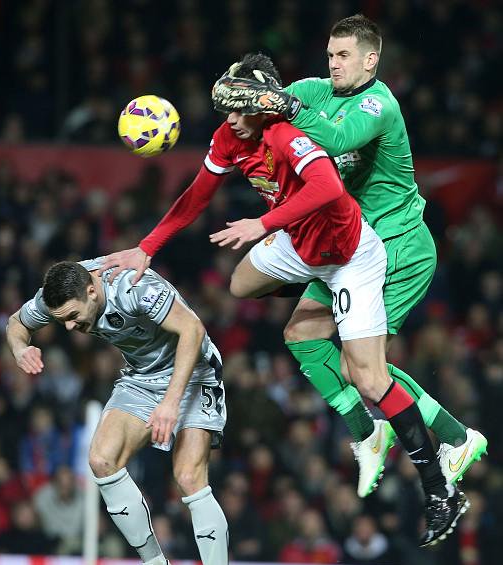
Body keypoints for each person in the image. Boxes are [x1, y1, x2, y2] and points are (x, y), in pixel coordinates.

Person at [100, 53, 466, 547]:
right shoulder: (231, 136)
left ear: (260, 106)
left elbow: (328, 185)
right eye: (225, 109)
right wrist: (147, 249)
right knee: (240, 284)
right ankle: (340, 325)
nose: (229, 119)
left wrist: (263, 224)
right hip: (299, 245)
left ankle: (440, 489)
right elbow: (198, 194)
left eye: (238, 108)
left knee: (370, 378)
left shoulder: (285, 133)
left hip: (351, 255)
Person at [202, 14, 488, 496]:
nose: (333, 64)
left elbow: (335, 139)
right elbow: (267, 108)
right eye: (330, 55)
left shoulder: (380, 104)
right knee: (301, 336)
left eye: (344, 56)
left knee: (364, 369)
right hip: (340, 244)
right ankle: (368, 432)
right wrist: (248, 90)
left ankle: (457, 439)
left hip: (397, 245)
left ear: (370, 60)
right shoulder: (315, 90)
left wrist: (286, 105)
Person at [6, 259, 229, 565]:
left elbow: (192, 328)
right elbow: (15, 323)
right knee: (101, 460)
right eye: (62, 321)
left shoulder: (134, 287)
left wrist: (170, 402)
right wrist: (20, 349)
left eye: (72, 316)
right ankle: (155, 564)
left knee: (189, 477)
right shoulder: (60, 292)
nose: (69, 327)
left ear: (92, 291)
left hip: (193, 372)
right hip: (141, 379)